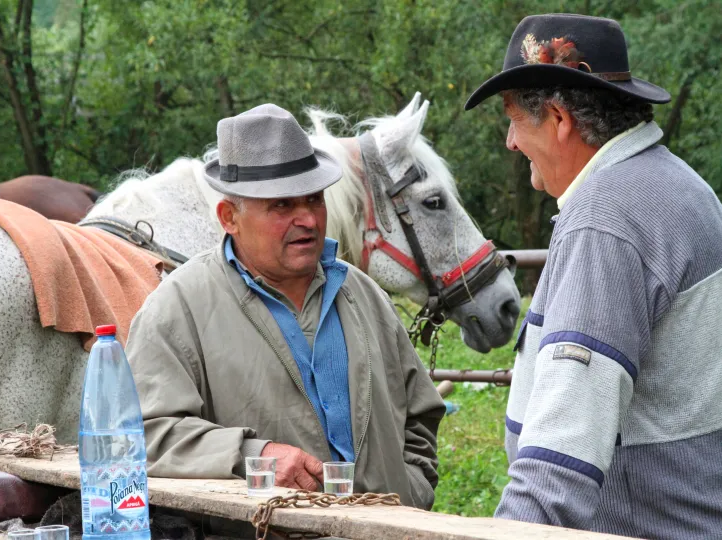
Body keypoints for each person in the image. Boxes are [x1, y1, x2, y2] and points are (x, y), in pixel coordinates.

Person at [465, 13, 722, 538]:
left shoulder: (606, 218)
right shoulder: (681, 185)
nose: (511, 143)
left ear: (559, 118)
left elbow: (561, 456)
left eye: (514, 121)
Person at [125, 103, 446, 510]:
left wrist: (411, 490)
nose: (308, 220)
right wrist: (252, 456)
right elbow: (146, 435)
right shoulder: (177, 309)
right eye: (282, 205)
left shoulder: (363, 294)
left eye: (314, 199)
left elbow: (421, 416)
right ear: (229, 217)